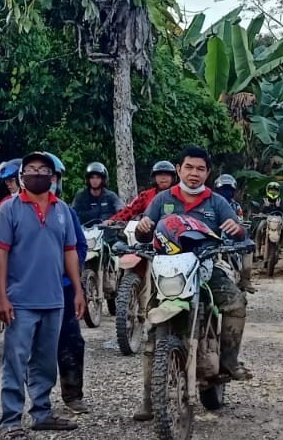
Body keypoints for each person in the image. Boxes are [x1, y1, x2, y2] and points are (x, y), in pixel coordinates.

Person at [132, 146, 249, 419]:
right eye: (189, 167)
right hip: (167, 271)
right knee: (152, 332)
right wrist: (142, 229)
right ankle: (149, 400)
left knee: (236, 303)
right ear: (178, 169)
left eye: (200, 169)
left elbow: (239, 232)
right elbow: (142, 234)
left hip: (206, 266)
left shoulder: (217, 202)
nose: (194, 174)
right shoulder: (162, 200)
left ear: (208, 173)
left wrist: (238, 229)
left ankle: (229, 361)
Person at [0, 152, 86, 440]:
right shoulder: (9, 210)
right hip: (20, 300)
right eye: (30, 169)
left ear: (53, 176)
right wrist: (1, 296)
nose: (37, 173)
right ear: (21, 175)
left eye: (43, 169)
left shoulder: (63, 211)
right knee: (15, 361)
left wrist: (78, 289)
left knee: (45, 361)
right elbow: (0, 254)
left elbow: (70, 250)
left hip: (54, 298)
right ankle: (10, 421)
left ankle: (42, 413)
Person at [47, 153, 91, 415]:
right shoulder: (12, 208)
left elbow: (80, 247)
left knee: (71, 341)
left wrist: (72, 278)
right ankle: (30, 404)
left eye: (51, 176)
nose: (46, 180)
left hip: (62, 287)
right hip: (28, 290)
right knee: (29, 346)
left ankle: (73, 394)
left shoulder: (66, 212)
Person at [215, 173, 254, 291]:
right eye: (223, 190)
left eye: (228, 190)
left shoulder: (236, 207)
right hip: (213, 240)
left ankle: (245, 280)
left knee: (249, 248)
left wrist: (238, 229)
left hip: (232, 240)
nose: (225, 193)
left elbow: (240, 222)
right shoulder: (210, 204)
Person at [107, 161, 177, 223]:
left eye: (167, 174)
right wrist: (113, 220)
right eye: (160, 174)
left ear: (173, 178)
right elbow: (129, 211)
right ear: (154, 178)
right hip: (149, 233)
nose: (163, 178)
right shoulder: (145, 195)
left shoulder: (180, 194)